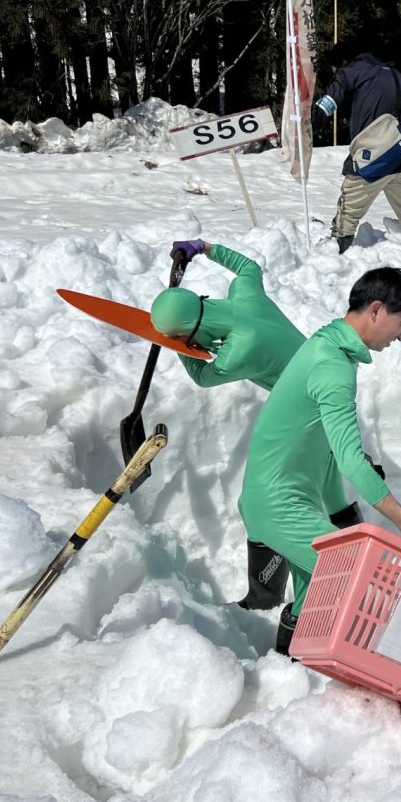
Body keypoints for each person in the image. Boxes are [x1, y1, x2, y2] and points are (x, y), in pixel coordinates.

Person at [237, 266, 401, 654]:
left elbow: (314, 428)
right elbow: (351, 464)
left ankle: (288, 666)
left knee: (313, 590)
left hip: (287, 498)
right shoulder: (332, 367)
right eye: (400, 324)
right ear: (376, 310)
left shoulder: (325, 347)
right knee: (353, 573)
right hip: (279, 506)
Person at [149, 238, 308, 612]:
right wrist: (204, 247)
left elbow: (204, 377)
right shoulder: (245, 295)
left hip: (304, 412)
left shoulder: (238, 349)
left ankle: (269, 596)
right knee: (322, 493)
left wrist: (180, 349)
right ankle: (279, 589)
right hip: (321, 392)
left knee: (260, 504)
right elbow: (249, 268)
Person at [311, 40, 401, 272]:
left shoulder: (350, 72)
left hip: (372, 160)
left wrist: (311, 120)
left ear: (343, 62)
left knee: (346, 218)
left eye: (335, 69)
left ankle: (331, 273)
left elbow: (329, 103)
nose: (335, 73)